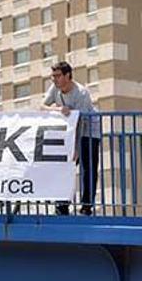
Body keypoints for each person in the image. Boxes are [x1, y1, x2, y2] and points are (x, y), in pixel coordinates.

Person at [41, 61, 101, 216]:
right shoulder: (55, 88)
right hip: (69, 132)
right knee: (63, 167)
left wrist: (76, 148)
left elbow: (80, 121)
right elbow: (42, 106)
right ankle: (62, 205)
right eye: (53, 76)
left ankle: (87, 206)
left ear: (68, 76)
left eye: (58, 76)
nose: (54, 79)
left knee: (88, 167)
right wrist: (59, 109)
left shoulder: (81, 92)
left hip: (89, 130)